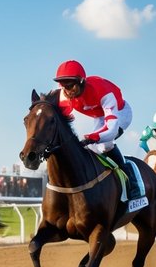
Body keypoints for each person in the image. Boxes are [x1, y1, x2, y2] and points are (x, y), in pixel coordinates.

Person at [52, 60, 142, 199]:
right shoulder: (64, 94)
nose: (67, 91)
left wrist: (94, 137)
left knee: (104, 145)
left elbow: (111, 130)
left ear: (81, 82)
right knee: (91, 150)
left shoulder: (102, 91)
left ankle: (131, 177)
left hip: (120, 113)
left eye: (70, 86)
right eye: (63, 86)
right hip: (99, 116)